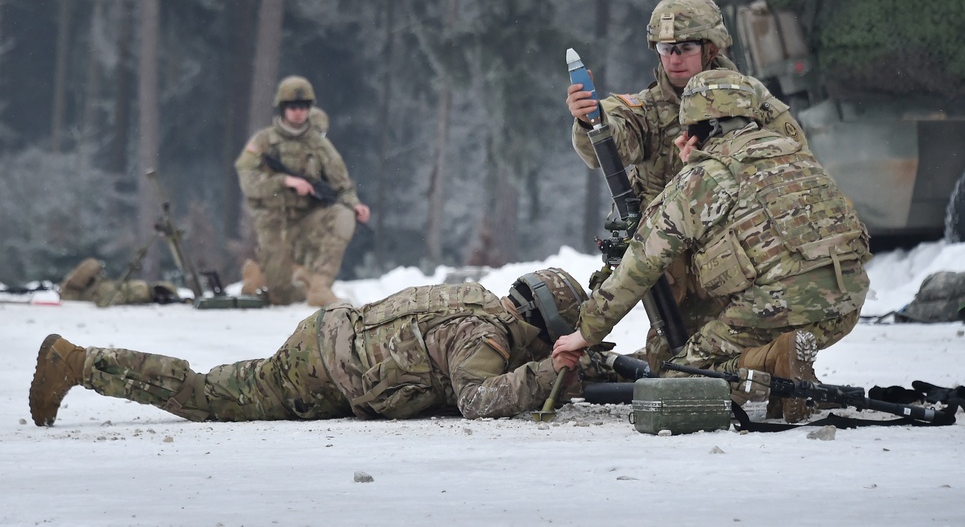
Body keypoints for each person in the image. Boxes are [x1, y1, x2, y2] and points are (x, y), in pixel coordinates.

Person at [554, 71, 872, 422]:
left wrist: (586, 332)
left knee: (680, 380)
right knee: (757, 322)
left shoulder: (706, 175)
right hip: (846, 306)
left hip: (782, 306)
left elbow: (641, 262)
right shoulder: (794, 151)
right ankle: (788, 379)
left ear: (703, 127)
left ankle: (774, 361)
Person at [565, 0, 809, 368]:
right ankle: (765, 365)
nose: (674, 58)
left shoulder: (754, 103)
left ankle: (771, 364)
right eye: (665, 48)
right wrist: (590, 120)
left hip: (747, 261)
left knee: (704, 367)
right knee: (676, 366)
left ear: (711, 48)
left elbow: (795, 168)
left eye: (685, 47)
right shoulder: (645, 110)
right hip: (675, 275)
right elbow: (613, 139)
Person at [29, 268, 594, 427]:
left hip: (331, 340)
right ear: (544, 326)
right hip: (324, 368)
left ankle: (81, 363)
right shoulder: (486, 339)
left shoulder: (480, 302)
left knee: (218, 385)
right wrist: (549, 375)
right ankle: (78, 363)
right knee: (206, 396)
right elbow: (475, 399)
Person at [235, 76, 370, 307]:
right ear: (283, 109)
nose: (298, 112)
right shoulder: (264, 141)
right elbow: (249, 181)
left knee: (343, 216)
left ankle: (319, 286)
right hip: (273, 222)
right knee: (281, 296)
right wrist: (285, 181)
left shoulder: (319, 145)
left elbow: (342, 184)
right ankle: (263, 274)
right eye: (293, 107)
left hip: (307, 220)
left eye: (304, 107)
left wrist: (355, 203)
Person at [59, 257, 179, 306]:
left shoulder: (77, 290)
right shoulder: (72, 289)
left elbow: (91, 265)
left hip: (129, 292)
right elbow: (91, 264)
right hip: (129, 292)